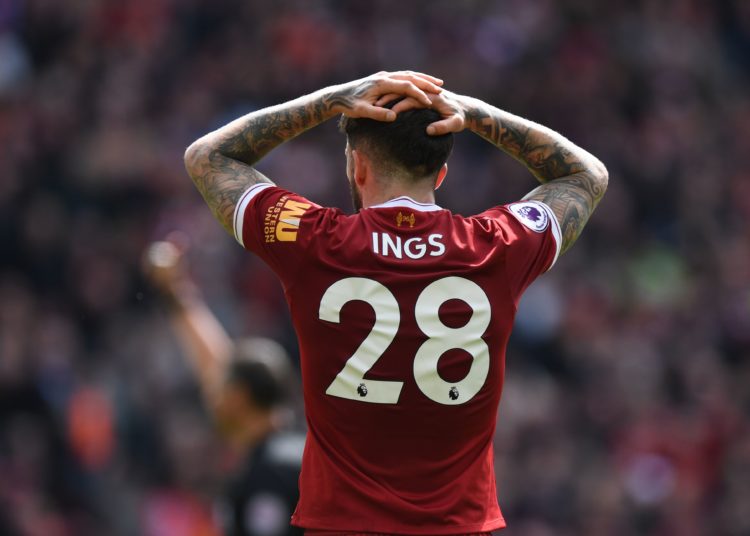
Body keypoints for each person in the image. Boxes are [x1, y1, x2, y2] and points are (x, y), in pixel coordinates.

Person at [183, 71, 608, 534]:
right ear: (441, 173)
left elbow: (208, 156)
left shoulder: (312, 242)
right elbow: (585, 175)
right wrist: (473, 113)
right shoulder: (496, 247)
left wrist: (329, 100)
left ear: (357, 166)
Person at [144, 238, 304, 536]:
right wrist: (175, 293)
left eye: (219, 389)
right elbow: (213, 362)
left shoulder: (269, 476)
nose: (210, 396)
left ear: (238, 398)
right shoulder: (291, 456)